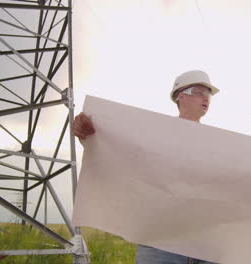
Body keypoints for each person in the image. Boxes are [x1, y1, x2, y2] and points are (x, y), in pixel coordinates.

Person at [72, 70, 219, 264]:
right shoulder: (153, 133)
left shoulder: (218, 144)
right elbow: (118, 150)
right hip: (161, 242)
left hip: (206, 243)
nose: (206, 98)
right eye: (200, 91)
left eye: (208, 94)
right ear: (181, 96)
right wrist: (89, 132)